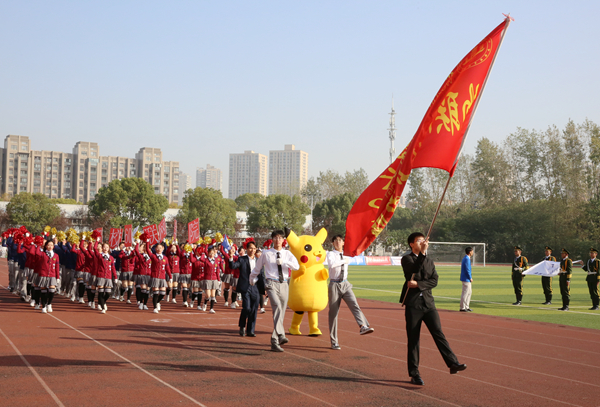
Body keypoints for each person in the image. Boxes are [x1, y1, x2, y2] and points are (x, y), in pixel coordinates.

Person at [400, 232, 466, 386]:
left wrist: (419, 284)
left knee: (438, 333)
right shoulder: (407, 259)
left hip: (429, 303)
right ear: (411, 244)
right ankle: (414, 374)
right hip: (413, 304)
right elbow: (413, 270)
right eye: (419, 241)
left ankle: (452, 363)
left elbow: (434, 280)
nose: (423, 242)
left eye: (424, 240)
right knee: (414, 339)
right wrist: (422, 254)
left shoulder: (429, 261)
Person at [249, 230, 299, 352]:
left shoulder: (287, 253)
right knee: (277, 306)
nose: (278, 240)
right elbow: (257, 268)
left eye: (280, 238)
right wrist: (252, 278)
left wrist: (284, 262)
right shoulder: (266, 253)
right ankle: (281, 334)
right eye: (275, 238)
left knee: (281, 312)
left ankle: (274, 340)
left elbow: (297, 266)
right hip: (271, 283)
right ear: (272, 240)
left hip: (284, 284)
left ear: (283, 240)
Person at [326, 234, 373, 350]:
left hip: (345, 283)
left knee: (354, 304)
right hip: (334, 284)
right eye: (335, 240)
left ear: (343, 243)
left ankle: (362, 326)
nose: (338, 242)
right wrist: (343, 261)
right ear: (333, 243)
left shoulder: (346, 253)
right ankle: (334, 341)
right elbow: (332, 265)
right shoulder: (331, 254)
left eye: (340, 240)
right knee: (333, 313)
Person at [229, 238, 260, 337]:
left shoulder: (259, 261)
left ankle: (250, 330)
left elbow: (262, 274)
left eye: (254, 248)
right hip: (246, 287)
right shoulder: (242, 259)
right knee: (246, 308)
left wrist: (264, 287)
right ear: (246, 249)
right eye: (250, 248)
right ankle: (242, 326)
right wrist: (231, 257)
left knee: (254, 310)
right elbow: (233, 266)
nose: (252, 250)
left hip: (256, 287)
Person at [459, 247, 473, 312]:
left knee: (469, 292)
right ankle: (463, 307)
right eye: (472, 251)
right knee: (466, 293)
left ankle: (466, 306)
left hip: (465, 278)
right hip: (466, 279)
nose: (473, 252)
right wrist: (470, 277)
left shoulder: (465, 258)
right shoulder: (467, 259)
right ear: (470, 252)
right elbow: (467, 269)